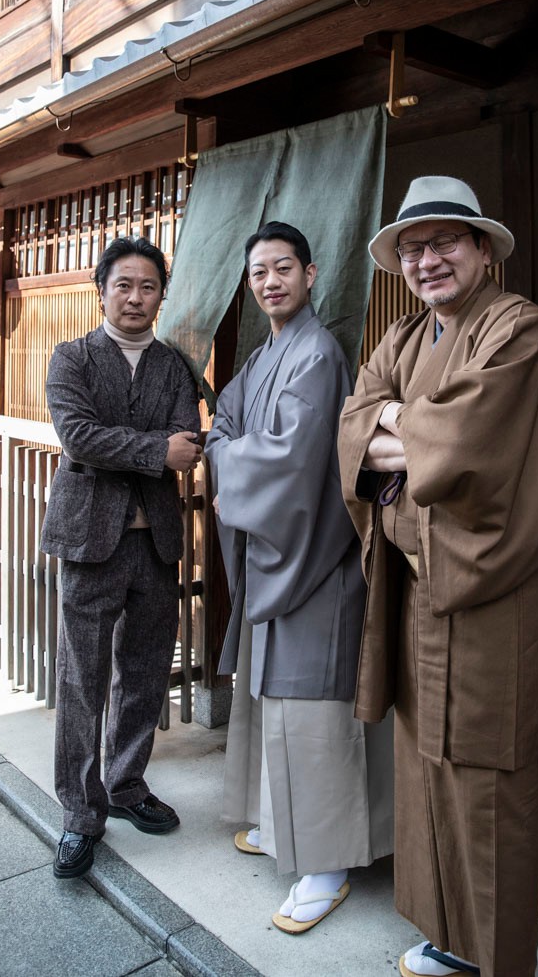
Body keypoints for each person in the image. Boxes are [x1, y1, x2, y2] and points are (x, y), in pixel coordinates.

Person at [338, 177, 538, 977]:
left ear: (481, 250)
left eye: (444, 242)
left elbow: (470, 438)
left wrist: (395, 422)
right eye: (412, 247)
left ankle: (498, 957)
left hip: (489, 594)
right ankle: (447, 933)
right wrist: (400, 422)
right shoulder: (403, 336)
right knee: (425, 763)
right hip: (415, 591)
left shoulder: (518, 328)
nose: (427, 259)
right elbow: (352, 420)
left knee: (487, 775)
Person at [205, 221, 393, 934]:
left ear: (311, 275)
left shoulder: (316, 353)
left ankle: (328, 864)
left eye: (282, 267)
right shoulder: (265, 354)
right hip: (276, 556)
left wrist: (231, 462)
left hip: (314, 561)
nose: (270, 281)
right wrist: (230, 450)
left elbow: (289, 458)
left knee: (313, 717)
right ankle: (283, 827)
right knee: (271, 704)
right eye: (258, 272)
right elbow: (224, 419)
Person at [41, 235, 202, 879]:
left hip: (157, 541)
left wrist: (149, 448)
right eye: (123, 285)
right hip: (89, 540)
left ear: (162, 296)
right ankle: (81, 814)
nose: (135, 297)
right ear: (101, 290)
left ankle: (127, 784)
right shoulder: (71, 357)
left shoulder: (174, 366)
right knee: (82, 677)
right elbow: (76, 434)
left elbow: (185, 441)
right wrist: (153, 450)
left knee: (143, 673)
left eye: (148, 287)